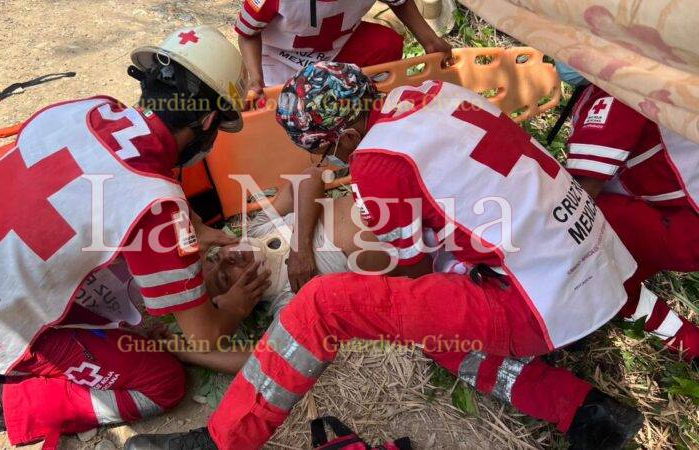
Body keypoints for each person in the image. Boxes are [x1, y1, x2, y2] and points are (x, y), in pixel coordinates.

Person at [124, 63, 645, 450]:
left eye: (330, 149)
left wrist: (306, 254)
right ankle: (588, 413)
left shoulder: (376, 162)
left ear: (347, 133)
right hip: (586, 260)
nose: (331, 161)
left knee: (325, 305)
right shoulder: (429, 94)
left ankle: (221, 442)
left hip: (531, 294)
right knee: (442, 341)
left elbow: (411, 271)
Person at [0, 26, 272, 450]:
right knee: (161, 383)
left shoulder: (87, 108)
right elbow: (204, 336)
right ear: (208, 121)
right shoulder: (157, 202)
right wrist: (233, 308)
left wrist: (188, 233)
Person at [565, 84, 699, 361]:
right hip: (678, 214)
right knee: (616, 276)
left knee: (588, 239)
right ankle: (687, 340)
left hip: (678, 223)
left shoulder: (618, 86)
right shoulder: (648, 68)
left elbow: (580, 197)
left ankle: (576, 313)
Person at [235, 0, 452, 93]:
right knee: (271, 109)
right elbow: (247, 34)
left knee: (386, 44)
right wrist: (256, 78)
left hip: (336, 49)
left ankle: (362, 108)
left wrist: (430, 41)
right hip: (279, 59)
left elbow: (400, 2)